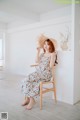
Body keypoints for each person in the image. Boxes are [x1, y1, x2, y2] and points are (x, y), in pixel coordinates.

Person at [21, 39, 57, 110]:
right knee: (26, 80)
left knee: (30, 80)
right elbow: (36, 61)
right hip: (38, 73)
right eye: (45, 44)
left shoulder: (52, 54)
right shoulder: (42, 54)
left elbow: (50, 66)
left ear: (51, 46)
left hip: (46, 74)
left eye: (48, 44)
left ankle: (31, 100)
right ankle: (28, 98)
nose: (46, 46)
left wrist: (51, 57)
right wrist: (38, 52)